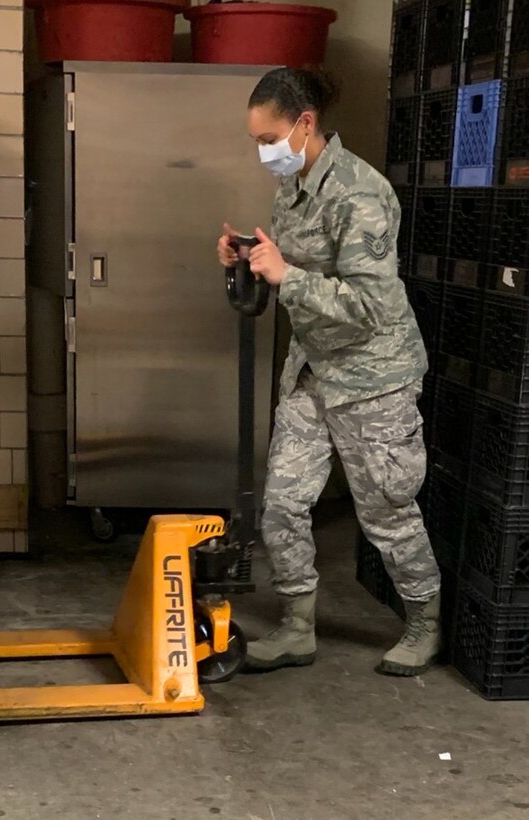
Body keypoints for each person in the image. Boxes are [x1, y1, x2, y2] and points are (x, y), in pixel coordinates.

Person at [217, 67, 441, 677]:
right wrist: (251, 259)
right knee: (284, 504)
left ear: (305, 123)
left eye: (269, 139)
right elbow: (293, 279)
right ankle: (297, 629)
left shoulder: (359, 193)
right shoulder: (292, 190)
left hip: (375, 379)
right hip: (315, 371)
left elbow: (371, 307)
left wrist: (287, 275)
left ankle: (424, 623)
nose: (264, 152)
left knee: (387, 514)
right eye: (257, 141)